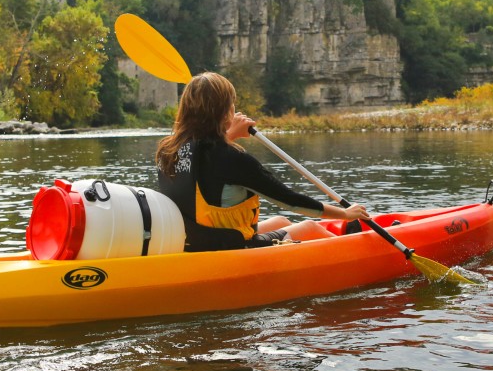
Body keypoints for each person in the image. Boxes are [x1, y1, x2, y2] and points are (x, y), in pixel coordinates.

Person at [156, 71, 370, 252]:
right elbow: (289, 200)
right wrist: (344, 213)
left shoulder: (168, 150)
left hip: (192, 241)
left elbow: (204, 166)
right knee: (309, 228)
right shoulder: (231, 159)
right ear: (225, 112)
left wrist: (226, 136)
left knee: (281, 222)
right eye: (232, 104)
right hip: (225, 248)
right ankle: (358, 254)